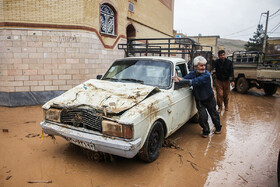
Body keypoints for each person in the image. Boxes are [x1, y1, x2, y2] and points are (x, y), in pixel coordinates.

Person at [172, 56, 222, 138]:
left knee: (214, 114)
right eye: (201, 66)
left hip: (209, 98)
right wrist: (178, 78)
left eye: (204, 65)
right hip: (199, 99)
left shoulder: (206, 75)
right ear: (195, 67)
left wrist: (180, 80)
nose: (203, 68)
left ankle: (218, 128)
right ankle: (206, 130)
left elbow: (194, 81)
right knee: (203, 117)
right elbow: (185, 79)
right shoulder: (192, 73)